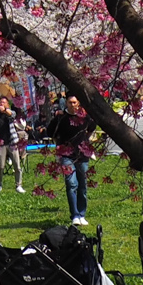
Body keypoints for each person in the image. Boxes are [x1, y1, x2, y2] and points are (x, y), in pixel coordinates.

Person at [47, 95, 95, 226]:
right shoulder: (61, 118)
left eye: (74, 102)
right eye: (70, 102)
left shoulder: (84, 117)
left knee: (82, 185)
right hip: (66, 156)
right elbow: (50, 132)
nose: (72, 105)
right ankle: (75, 215)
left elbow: (91, 128)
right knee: (71, 183)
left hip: (82, 155)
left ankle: (82, 213)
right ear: (66, 103)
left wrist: (85, 141)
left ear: (78, 103)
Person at [0, 97, 25, 192]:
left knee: (17, 165)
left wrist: (5, 110)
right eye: (0, 102)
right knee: (0, 166)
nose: (2, 104)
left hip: (12, 142)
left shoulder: (10, 113)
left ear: (7, 104)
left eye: (4, 102)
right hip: (0, 144)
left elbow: (12, 115)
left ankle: (18, 185)